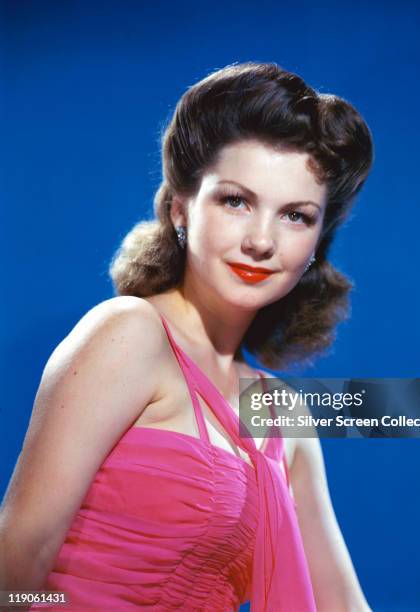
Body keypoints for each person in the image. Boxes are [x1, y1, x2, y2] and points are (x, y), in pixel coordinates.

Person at [0, 62, 374, 610]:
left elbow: (341, 604)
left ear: (318, 241)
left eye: (295, 215)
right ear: (181, 209)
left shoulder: (282, 414)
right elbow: (16, 560)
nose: (262, 241)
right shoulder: (127, 334)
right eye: (235, 201)